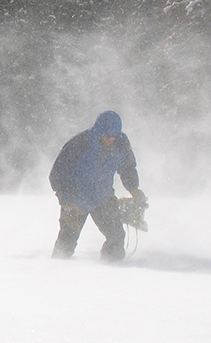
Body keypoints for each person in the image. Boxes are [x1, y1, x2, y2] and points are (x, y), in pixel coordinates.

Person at [48, 111, 147, 261]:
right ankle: (55, 273)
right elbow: (57, 175)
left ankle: (111, 272)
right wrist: (67, 202)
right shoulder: (79, 144)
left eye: (114, 136)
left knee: (116, 236)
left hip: (103, 198)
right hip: (75, 202)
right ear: (99, 131)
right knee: (66, 243)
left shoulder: (121, 143)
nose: (111, 140)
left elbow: (127, 168)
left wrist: (134, 189)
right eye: (108, 136)